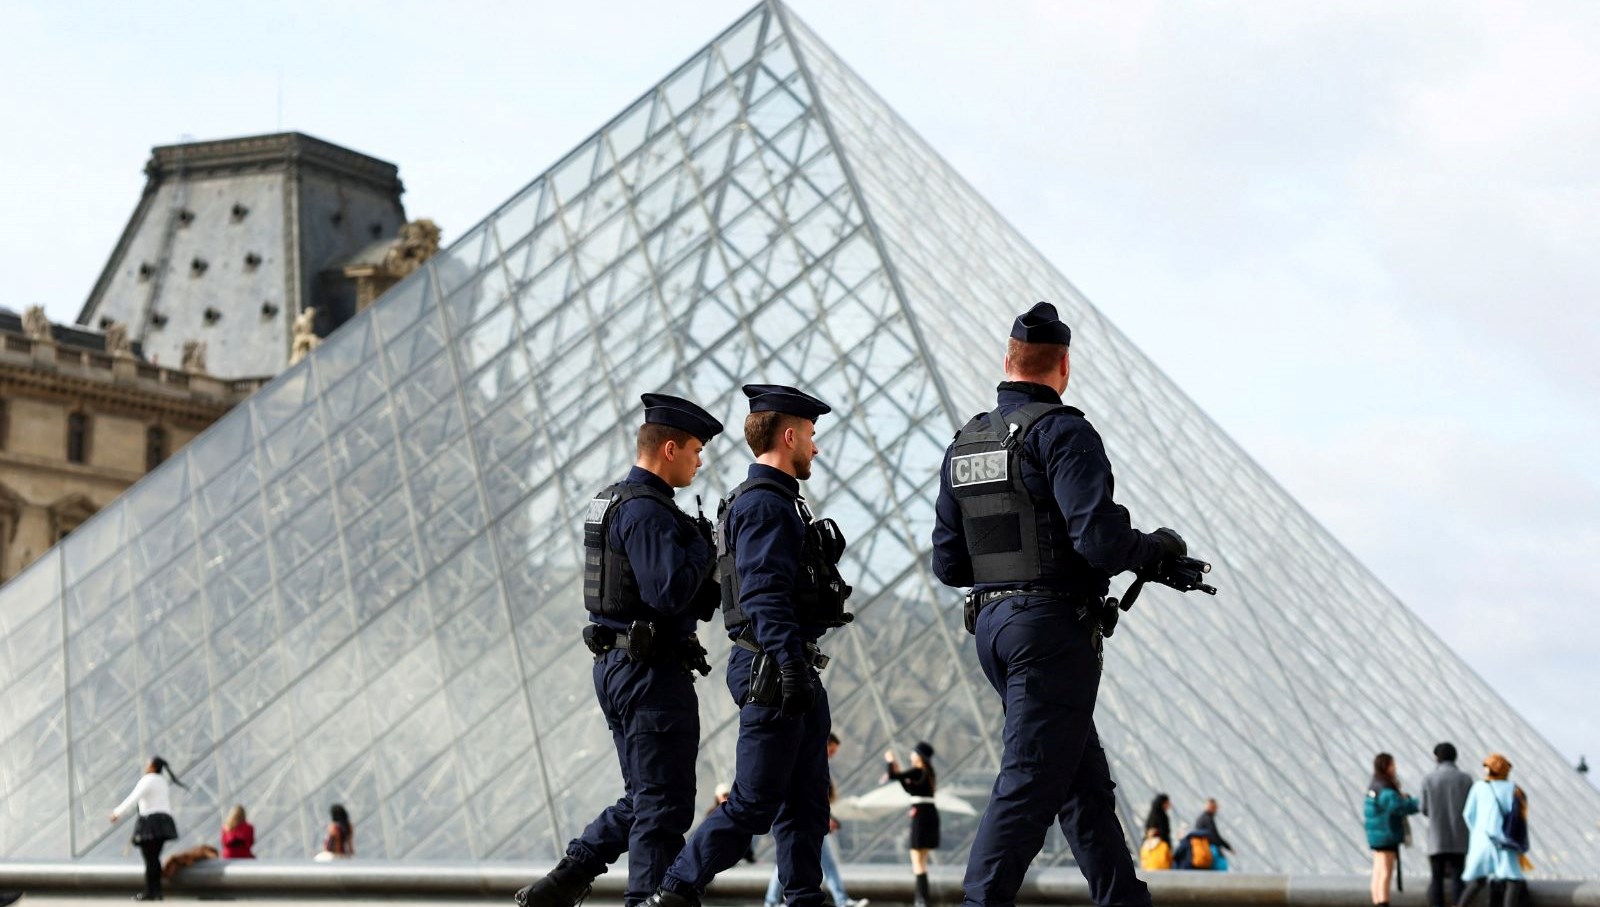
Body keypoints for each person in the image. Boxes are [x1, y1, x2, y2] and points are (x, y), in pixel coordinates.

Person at [931, 301, 1196, 907]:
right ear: (1065, 366)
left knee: (1082, 787)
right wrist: (1154, 548)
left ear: (1007, 361)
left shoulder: (967, 442)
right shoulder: (1064, 433)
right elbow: (1099, 541)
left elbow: (948, 564)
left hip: (992, 629)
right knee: (1028, 780)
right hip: (1049, 631)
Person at [644, 384, 852, 907]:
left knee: (805, 805)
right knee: (756, 803)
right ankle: (674, 890)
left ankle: (804, 898)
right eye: (809, 435)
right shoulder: (765, 505)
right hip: (774, 665)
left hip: (788, 662)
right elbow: (764, 594)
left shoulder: (774, 501)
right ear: (788, 435)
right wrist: (790, 667)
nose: (815, 447)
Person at [515, 394, 724, 907]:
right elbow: (668, 591)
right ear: (669, 448)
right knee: (664, 806)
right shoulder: (649, 512)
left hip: (618, 664)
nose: (700, 461)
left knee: (643, 795)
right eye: (696, 450)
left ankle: (563, 882)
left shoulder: (611, 501)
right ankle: (643, 901)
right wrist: (704, 543)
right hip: (650, 672)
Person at [765, 733, 868, 907]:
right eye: (832, 750)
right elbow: (809, 796)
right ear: (824, 745)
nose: (832, 755)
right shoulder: (808, 763)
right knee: (791, 861)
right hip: (803, 821)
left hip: (810, 821)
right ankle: (772, 901)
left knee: (792, 861)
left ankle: (771, 901)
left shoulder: (813, 763)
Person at [108, 756, 187, 901]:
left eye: (147, 763)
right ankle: (157, 891)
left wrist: (116, 813)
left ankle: (150, 891)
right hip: (164, 822)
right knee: (155, 858)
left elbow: (133, 798)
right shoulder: (162, 781)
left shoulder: (148, 779)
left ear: (152, 767)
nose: (145, 765)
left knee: (149, 859)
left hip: (150, 823)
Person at [1457, 754, 1530, 907]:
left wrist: (1477, 832)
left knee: (1478, 879)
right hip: (1505, 841)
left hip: (1482, 841)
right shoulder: (1514, 789)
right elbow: (1520, 817)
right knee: (1512, 880)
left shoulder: (1478, 787)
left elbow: (1468, 814)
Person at [885, 742, 941, 907]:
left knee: (916, 860)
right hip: (929, 813)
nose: (911, 755)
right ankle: (922, 899)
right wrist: (897, 771)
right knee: (922, 860)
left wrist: (890, 762)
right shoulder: (928, 773)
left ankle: (921, 899)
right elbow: (909, 788)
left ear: (919, 756)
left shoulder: (917, 771)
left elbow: (894, 777)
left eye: (913, 753)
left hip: (920, 816)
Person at [1421, 743, 1474, 907]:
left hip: (1437, 839)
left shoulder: (1428, 779)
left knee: (1436, 880)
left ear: (1437, 758)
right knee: (1459, 879)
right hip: (1460, 838)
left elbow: (1423, 809)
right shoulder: (1466, 779)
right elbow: (1472, 808)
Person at [1364, 753, 1420, 907]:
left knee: (1378, 871)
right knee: (1386, 872)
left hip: (1377, 834)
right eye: (1392, 764)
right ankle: (1383, 902)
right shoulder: (1385, 789)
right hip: (1386, 834)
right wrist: (1417, 803)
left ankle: (1377, 901)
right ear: (1386, 766)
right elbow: (1398, 807)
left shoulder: (1375, 785)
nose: (1395, 768)